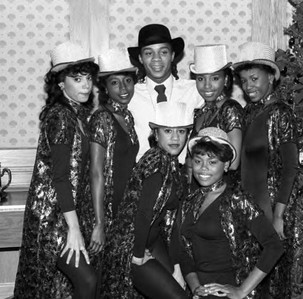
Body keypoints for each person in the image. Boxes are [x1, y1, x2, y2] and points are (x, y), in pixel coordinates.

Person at [14, 41, 99, 299]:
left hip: (66, 212)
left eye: (88, 78)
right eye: (77, 79)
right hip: (53, 218)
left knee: (67, 286)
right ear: (61, 83)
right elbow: (60, 178)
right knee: (87, 280)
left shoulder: (77, 114)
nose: (86, 85)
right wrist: (73, 229)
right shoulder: (61, 116)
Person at [178, 127, 284, 299]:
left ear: (226, 165)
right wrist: (196, 287)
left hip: (228, 289)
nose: (203, 169)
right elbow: (184, 252)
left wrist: (242, 290)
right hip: (199, 292)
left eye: (212, 163)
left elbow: (274, 246)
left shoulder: (237, 199)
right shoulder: (190, 200)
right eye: (198, 161)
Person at [102, 102, 192, 298]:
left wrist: (175, 266)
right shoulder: (156, 162)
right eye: (168, 131)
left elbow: (171, 222)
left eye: (181, 131)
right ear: (156, 134)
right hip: (130, 245)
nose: (175, 138)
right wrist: (137, 254)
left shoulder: (172, 164)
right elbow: (143, 213)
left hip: (151, 241)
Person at [233, 41, 299, 298]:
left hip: (272, 208)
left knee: (272, 283)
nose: (249, 86)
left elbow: (291, 168)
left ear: (271, 76)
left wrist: (279, 215)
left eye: (254, 78)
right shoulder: (248, 112)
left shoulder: (281, 113)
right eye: (244, 80)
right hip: (248, 207)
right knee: (250, 281)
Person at [87, 48, 139, 260]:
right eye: (115, 82)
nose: (123, 88)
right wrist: (100, 223)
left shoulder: (127, 117)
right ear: (105, 88)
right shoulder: (102, 118)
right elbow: (96, 173)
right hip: (107, 208)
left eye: (127, 80)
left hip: (125, 206)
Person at [127, 23, 203, 163]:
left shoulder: (194, 91)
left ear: (172, 55)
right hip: (140, 176)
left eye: (163, 52)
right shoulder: (129, 96)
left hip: (182, 176)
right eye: (149, 53)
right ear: (140, 58)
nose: (157, 59)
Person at [188, 44, 243, 184]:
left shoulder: (230, 109)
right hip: (196, 189)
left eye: (214, 78)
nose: (207, 86)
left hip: (220, 191)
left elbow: (234, 162)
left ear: (225, 80)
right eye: (201, 79)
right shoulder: (200, 111)